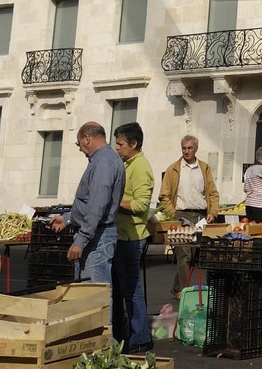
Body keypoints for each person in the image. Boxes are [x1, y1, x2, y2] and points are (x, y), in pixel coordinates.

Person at [51, 122, 124, 283]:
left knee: (95, 298)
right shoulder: (105, 159)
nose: (79, 149)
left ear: (87, 138)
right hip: (97, 233)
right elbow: (90, 202)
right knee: (89, 295)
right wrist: (69, 218)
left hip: (98, 237)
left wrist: (81, 240)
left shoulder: (103, 162)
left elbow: (97, 204)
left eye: (79, 143)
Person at [158, 134, 220, 297]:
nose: (186, 151)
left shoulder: (204, 168)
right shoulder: (173, 169)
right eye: (184, 148)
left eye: (190, 148)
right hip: (181, 214)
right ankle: (184, 293)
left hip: (200, 216)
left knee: (194, 256)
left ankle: (177, 286)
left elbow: (212, 192)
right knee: (184, 255)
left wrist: (213, 212)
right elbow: (164, 195)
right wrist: (173, 213)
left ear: (196, 149)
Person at [111, 123, 154, 354]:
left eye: (120, 144)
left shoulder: (141, 167)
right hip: (120, 235)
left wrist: (113, 204)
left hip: (132, 237)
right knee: (119, 289)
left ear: (134, 144)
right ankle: (123, 334)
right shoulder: (126, 164)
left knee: (131, 289)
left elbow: (141, 205)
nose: (117, 148)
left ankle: (141, 338)